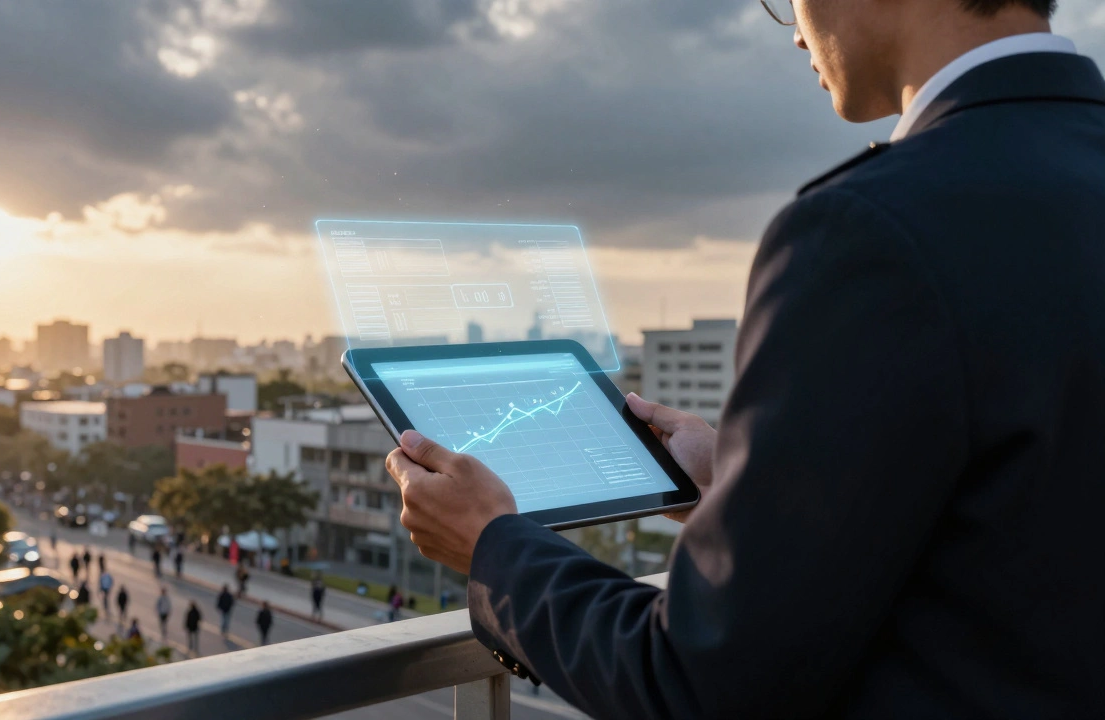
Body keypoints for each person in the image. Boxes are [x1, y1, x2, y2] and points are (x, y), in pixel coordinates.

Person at [384, 0, 1105, 716]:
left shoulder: (869, 232)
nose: (796, 34)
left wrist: (495, 548)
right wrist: (750, 484)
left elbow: (697, 683)